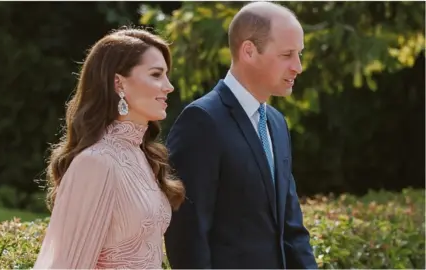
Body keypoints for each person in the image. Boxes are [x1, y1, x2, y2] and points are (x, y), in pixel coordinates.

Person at [164, 2, 317, 269]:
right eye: (287, 55)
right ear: (249, 51)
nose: (298, 67)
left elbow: (291, 228)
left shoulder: (277, 124)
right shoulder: (201, 121)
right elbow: (186, 236)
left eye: (299, 54)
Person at [33, 27, 185, 269]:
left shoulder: (142, 156)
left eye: (166, 75)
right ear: (118, 83)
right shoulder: (95, 162)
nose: (169, 86)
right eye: (156, 75)